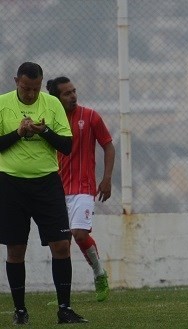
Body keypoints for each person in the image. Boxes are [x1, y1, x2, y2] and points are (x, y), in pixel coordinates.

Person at [0, 62, 87, 324]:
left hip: (47, 182)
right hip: (11, 183)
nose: (30, 94)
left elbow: (67, 145)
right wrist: (19, 132)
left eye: (35, 89)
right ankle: (20, 310)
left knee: (61, 245)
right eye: (26, 88)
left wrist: (43, 131)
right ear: (17, 81)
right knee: (16, 249)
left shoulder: (51, 104)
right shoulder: (3, 103)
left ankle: (64, 309)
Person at [46, 76, 115, 302]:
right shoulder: (49, 120)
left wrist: (106, 178)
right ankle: (62, 295)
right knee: (60, 244)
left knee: (79, 234)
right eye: (67, 93)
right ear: (56, 98)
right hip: (57, 189)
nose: (73, 96)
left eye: (74, 91)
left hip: (84, 188)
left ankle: (99, 273)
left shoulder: (90, 116)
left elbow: (108, 145)